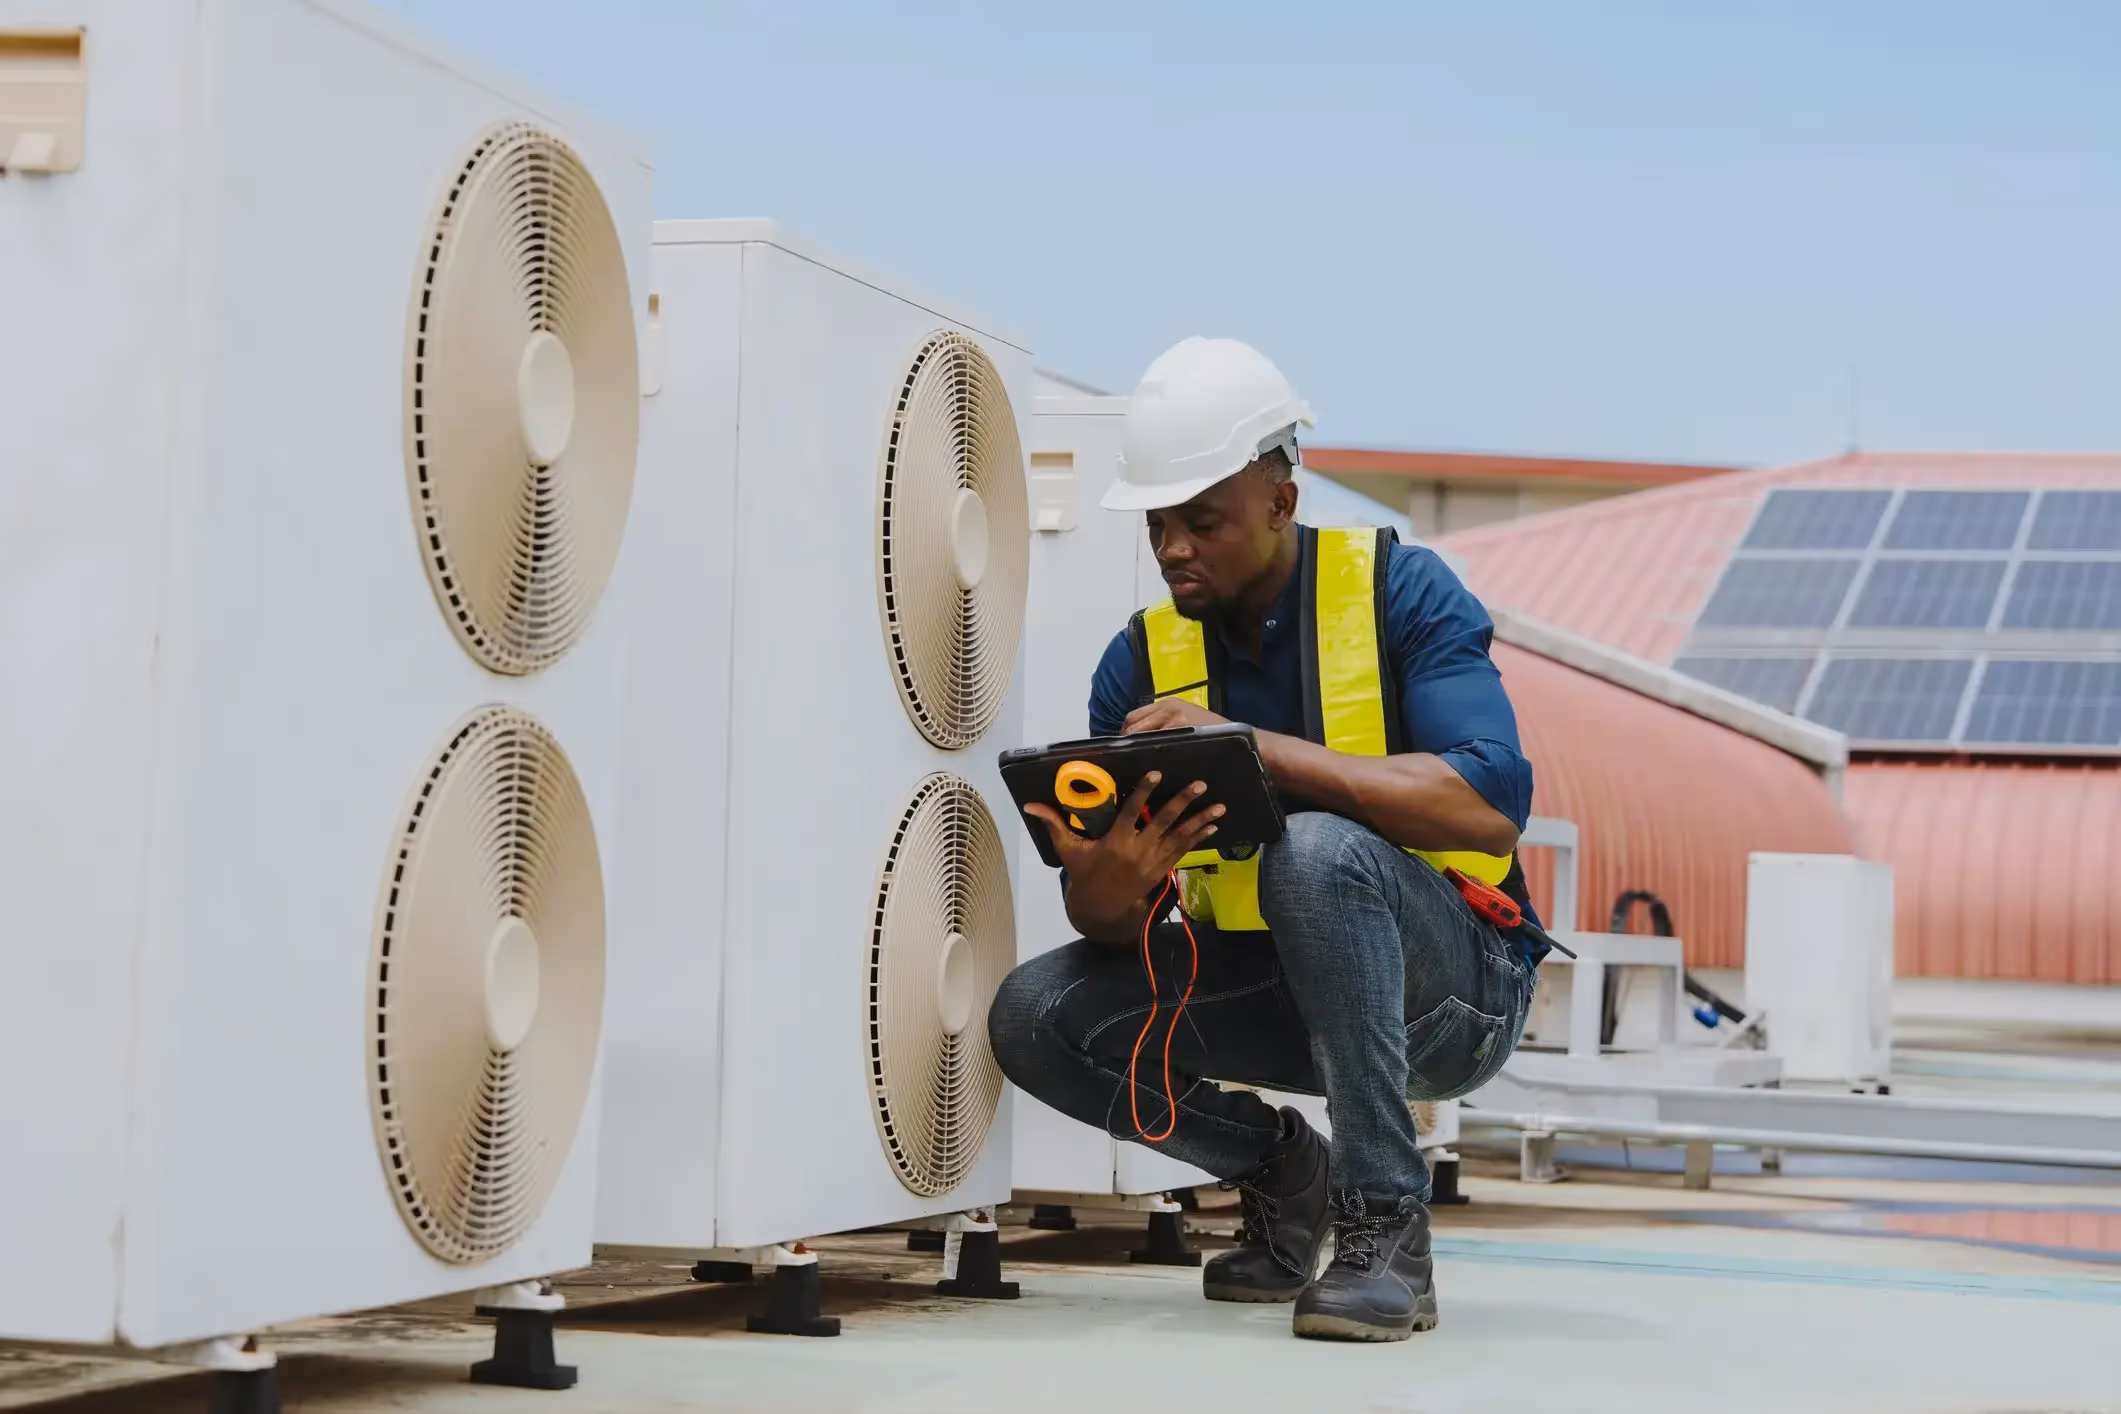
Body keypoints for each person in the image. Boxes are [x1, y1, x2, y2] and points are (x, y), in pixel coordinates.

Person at [988, 336, 1546, 1343]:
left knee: (1318, 851)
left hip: (1457, 995)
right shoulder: (1143, 666)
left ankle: (1385, 1227)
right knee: (1035, 1015)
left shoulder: (1402, 593)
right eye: (1159, 525)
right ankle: (1284, 1169)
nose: (1173, 550)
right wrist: (1109, 886)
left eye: (1203, 521)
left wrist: (1263, 755)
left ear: (1282, 502)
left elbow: (1490, 801)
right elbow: (1109, 922)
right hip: (1288, 993)